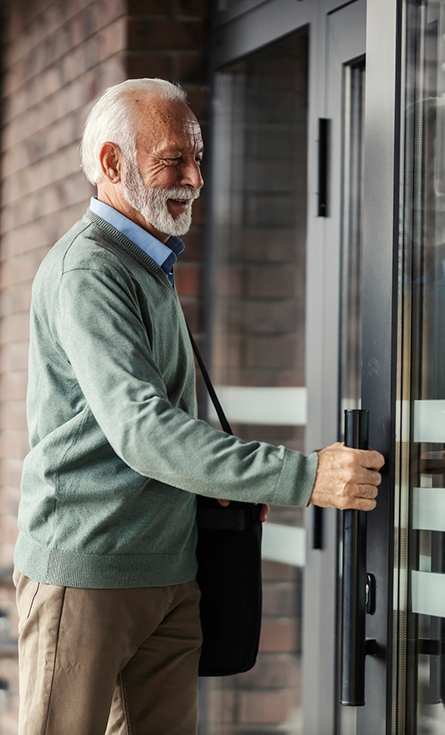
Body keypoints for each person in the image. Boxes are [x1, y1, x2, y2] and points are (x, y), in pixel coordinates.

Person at [13, 78, 384, 735]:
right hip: (90, 574)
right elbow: (141, 430)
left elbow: (159, 415)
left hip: (170, 572)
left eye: (198, 158)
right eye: (171, 160)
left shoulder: (147, 261)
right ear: (111, 164)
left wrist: (216, 487)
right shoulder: (89, 272)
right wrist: (304, 475)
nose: (193, 177)